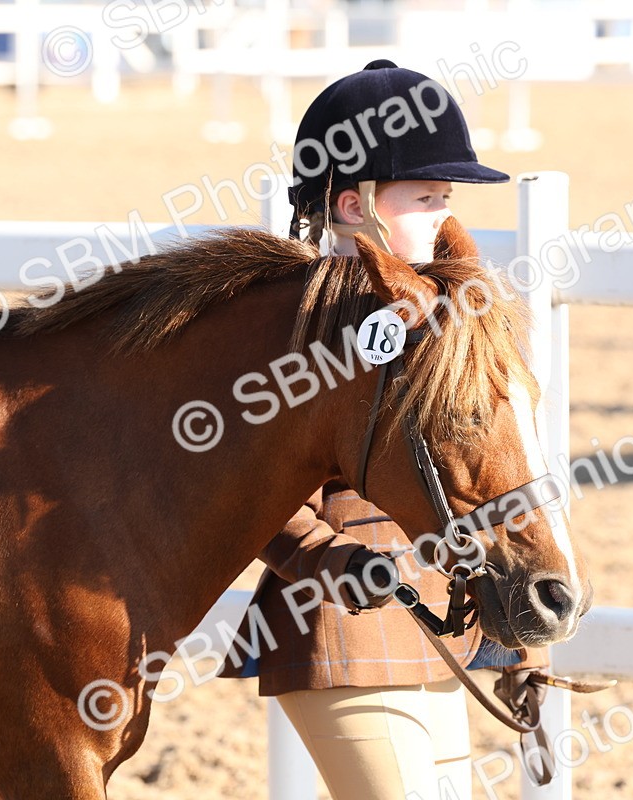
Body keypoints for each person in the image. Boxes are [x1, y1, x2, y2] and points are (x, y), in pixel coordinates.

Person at [219, 60, 551, 800]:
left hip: (441, 614)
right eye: (424, 197)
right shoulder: (300, 323)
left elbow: (488, 471)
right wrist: (331, 559)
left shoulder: (444, 313)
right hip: (345, 615)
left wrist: (518, 630)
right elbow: (249, 486)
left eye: (445, 200)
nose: (440, 214)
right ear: (352, 202)